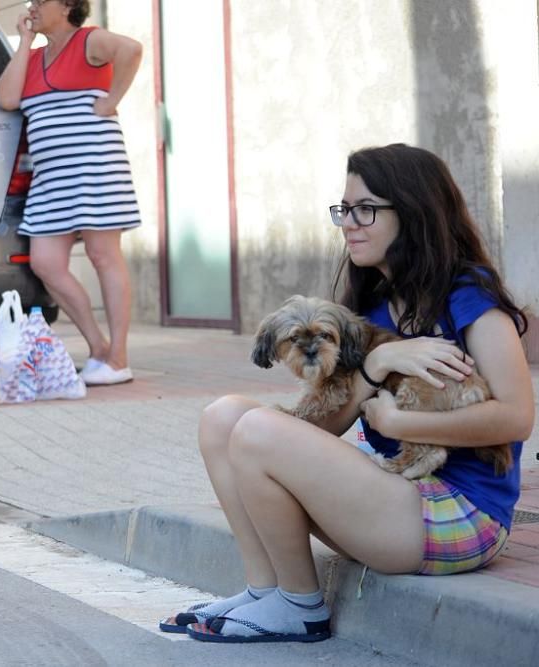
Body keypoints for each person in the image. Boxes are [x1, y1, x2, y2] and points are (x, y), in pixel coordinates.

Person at [160, 144, 534, 643]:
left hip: (461, 514)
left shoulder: (470, 298)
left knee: (256, 428)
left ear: (414, 211)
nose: (349, 224)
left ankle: (299, 605)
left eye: (366, 210)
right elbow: (323, 429)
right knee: (223, 418)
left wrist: (401, 425)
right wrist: (377, 365)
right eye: (344, 210)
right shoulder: (371, 306)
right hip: (393, 497)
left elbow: (516, 418)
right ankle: (265, 591)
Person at [0, 0, 143, 386]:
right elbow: (8, 98)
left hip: (95, 169)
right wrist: (25, 41)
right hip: (51, 179)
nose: (32, 6)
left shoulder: (89, 41)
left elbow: (132, 49)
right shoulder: (35, 55)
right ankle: (98, 348)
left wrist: (112, 101)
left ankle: (120, 359)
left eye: (40, 1)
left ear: (66, 5)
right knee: (46, 263)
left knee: (103, 255)